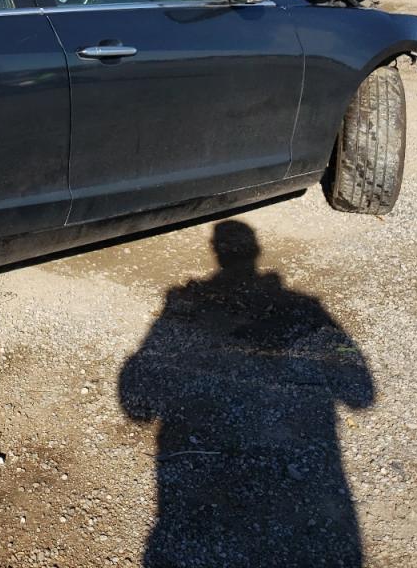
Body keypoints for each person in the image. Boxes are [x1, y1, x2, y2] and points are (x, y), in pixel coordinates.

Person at [118, 220, 374, 567]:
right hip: (299, 492)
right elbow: (362, 394)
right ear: (254, 252)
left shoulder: (182, 303)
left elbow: (136, 402)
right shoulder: (305, 308)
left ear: (217, 252)